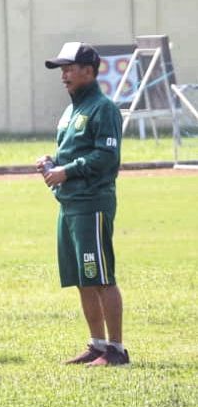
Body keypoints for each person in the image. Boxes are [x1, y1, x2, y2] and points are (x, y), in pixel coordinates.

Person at [38, 42, 128, 366]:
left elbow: (106, 156)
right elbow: (73, 151)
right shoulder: (71, 109)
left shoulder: (103, 109)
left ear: (89, 71)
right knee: (83, 277)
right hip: (70, 204)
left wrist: (66, 171)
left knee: (101, 276)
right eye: (61, 69)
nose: (63, 75)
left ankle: (116, 350)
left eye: (69, 68)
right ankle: (97, 344)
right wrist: (52, 163)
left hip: (93, 204)